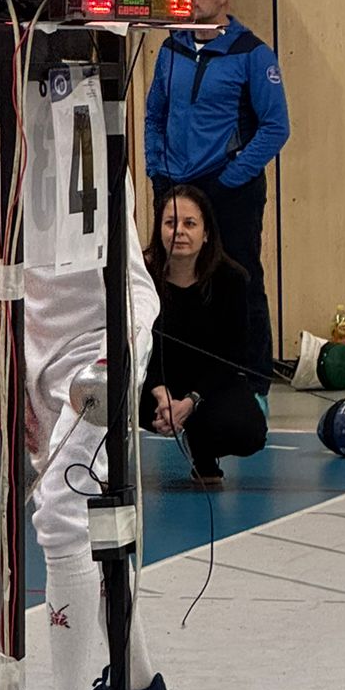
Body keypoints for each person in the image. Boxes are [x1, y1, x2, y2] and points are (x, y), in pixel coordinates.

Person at [0, 45, 175, 690]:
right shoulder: (0, 123)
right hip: (37, 337)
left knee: (63, 513)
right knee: (95, 518)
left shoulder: (80, 77)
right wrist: (11, 367)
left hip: (107, 329)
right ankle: (140, 683)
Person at [144, 0, 288, 392]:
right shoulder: (171, 49)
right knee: (169, 279)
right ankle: (175, 376)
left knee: (241, 278)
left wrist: (231, 177)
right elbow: (154, 116)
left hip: (229, 189)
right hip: (175, 185)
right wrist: (157, 170)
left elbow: (275, 127)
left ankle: (253, 382)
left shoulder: (252, 53)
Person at [141, 184, 270, 487]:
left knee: (248, 431)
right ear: (159, 229)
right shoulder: (141, 278)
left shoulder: (232, 280)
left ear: (207, 233)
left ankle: (203, 449)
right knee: (107, 401)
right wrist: (160, 393)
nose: (179, 232)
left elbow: (232, 356)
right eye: (170, 223)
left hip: (210, 386)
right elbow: (133, 346)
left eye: (190, 223)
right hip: (152, 385)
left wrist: (190, 401)